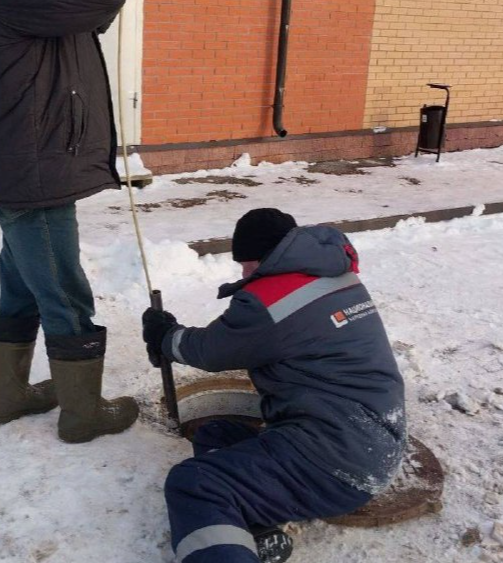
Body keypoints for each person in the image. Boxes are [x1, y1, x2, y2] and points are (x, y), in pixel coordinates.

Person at [0, 0, 148, 443]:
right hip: (33, 166)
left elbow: (93, 1)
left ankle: (8, 395)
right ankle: (82, 413)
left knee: (22, 283)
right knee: (64, 291)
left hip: (27, 161)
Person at [142, 208, 406, 563]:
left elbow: (211, 350)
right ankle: (251, 532)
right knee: (215, 435)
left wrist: (164, 335)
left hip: (336, 463)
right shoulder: (333, 274)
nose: (242, 272)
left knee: (195, 484)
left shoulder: (271, 299)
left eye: (244, 263)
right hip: (370, 436)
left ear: (259, 257)